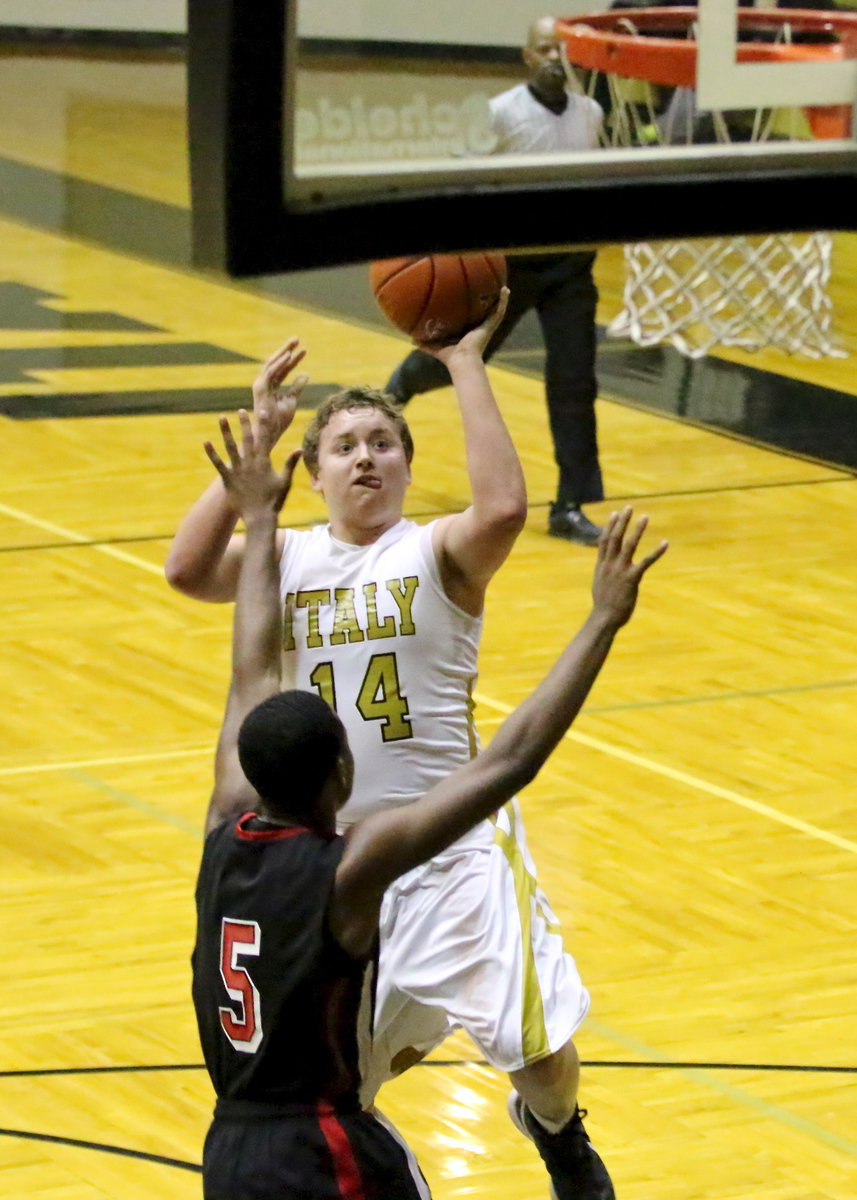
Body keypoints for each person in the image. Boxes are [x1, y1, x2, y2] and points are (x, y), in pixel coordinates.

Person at [167, 299, 612, 1200]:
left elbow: (506, 505)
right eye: (344, 445)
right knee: (338, 1088)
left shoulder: (435, 552)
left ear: (408, 465)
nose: (366, 456)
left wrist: (464, 364)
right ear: (314, 470)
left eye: (383, 441)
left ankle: (557, 1132)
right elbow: (183, 568)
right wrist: (255, 448)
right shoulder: (282, 556)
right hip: (325, 866)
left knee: (532, 1047)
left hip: (448, 844)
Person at [383, 15, 606, 547]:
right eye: (546, 48)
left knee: (575, 382)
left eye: (563, 49)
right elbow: (459, 174)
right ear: (528, 56)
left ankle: (570, 505)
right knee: (465, 357)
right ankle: (404, 383)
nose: (556, 57)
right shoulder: (501, 112)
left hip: (571, 266)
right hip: (510, 265)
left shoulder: (591, 113)